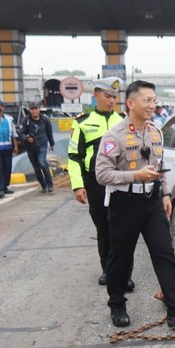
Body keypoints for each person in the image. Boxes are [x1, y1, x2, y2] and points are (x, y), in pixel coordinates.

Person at [95, 80, 175, 328]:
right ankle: (117, 304)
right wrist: (134, 176)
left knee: (164, 253)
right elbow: (102, 175)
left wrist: (165, 194)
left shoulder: (156, 131)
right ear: (130, 103)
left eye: (154, 100)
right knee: (120, 257)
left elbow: (159, 168)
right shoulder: (114, 136)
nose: (152, 105)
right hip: (124, 202)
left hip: (153, 200)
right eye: (147, 100)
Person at [67, 77, 134, 290]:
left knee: (124, 227)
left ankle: (125, 273)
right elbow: (74, 157)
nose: (111, 100)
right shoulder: (82, 122)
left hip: (121, 181)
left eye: (114, 97)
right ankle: (108, 269)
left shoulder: (124, 120)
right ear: (96, 95)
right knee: (103, 226)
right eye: (107, 96)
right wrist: (78, 185)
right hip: (95, 182)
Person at [19, 103, 55, 193]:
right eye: (32, 109)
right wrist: (27, 138)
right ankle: (43, 185)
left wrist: (52, 143)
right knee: (36, 167)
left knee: (42, 163)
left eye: (36, 109)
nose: (34, 111)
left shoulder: (45, 120)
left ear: (39, 109)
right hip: (30, 147)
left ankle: (50, 184)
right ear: (29, 110)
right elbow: (21, 133)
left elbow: (49, 132)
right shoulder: (25, 120)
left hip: (42, 146)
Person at [0, 99, 19, 198]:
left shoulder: (9, 119)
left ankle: (5, 187)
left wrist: (15, 146)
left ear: (3, 108)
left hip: (8, 148)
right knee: (0, 169)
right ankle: (0, 188)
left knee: (8, 168)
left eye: (0, 107)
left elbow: (14, 135)